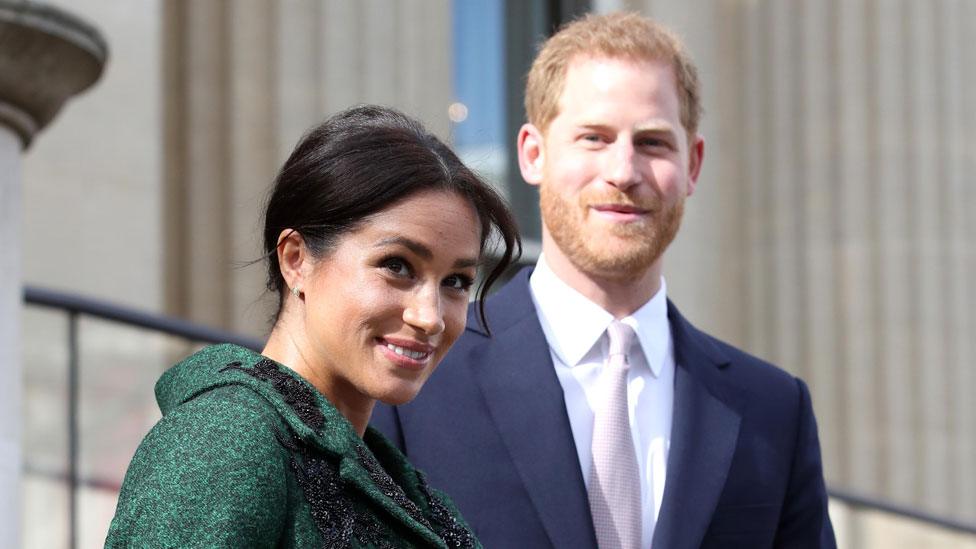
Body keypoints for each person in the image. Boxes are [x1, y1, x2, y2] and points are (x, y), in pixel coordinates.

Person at [371, 12, 836, 549]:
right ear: (533, 153)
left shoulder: (773, 410)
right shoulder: (418, 376)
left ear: (694, 164)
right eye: (594, 137)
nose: (623, 172)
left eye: (654, 143)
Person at [105, 105, 520, 548]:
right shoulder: (225, 442)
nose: (429, 316)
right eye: (396, 266)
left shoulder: (400, 486)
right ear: (295, 260)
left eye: (456, 282)